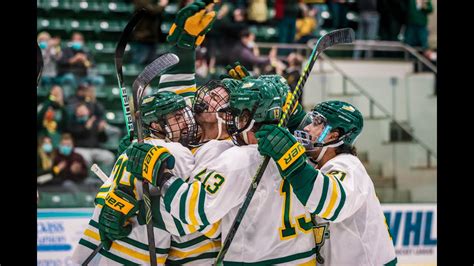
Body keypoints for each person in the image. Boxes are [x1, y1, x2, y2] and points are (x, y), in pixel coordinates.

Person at [126, 76, 318, 264]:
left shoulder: (237, 158)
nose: (231, 118)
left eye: (236, 113)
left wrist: (160, 176)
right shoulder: (299, 152)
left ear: (246, 118)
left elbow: (192, 210)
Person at [256, 100, 397, 265]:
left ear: (333, 135)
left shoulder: (349, 167)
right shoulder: (318, 164)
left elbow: (331, 202)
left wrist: (291, 159)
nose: (307, 128)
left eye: (316, 124)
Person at [67, 103, 115, 174]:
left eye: (83, 110)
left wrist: (101, 131)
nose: (82, 112)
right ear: (76, 113)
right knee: (86, 158)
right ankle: (87, 179)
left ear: (88, 111)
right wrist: (86, 128)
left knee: (109, 157)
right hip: (81, 148)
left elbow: (103, 140)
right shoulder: (73, 123)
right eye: (80, 110)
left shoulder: (94, 123)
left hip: (95, 149)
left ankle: (105, 178)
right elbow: (76, 135)